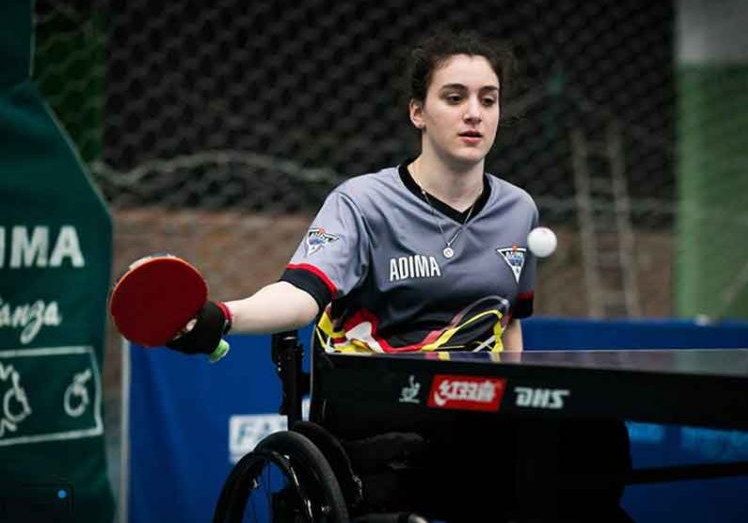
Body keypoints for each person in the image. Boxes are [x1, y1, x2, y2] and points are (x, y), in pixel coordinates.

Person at [167, 31, 631, 523]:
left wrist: (517, 394)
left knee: (593, 435)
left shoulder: (519, 210)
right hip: (382, 400)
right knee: (470, 450)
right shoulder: (361, 203)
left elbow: (509, 320)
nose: (473, 112)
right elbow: (302, 295)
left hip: (478, 404)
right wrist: (223, 316)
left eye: (487, 100)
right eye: (454, 97)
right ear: (418, 112)